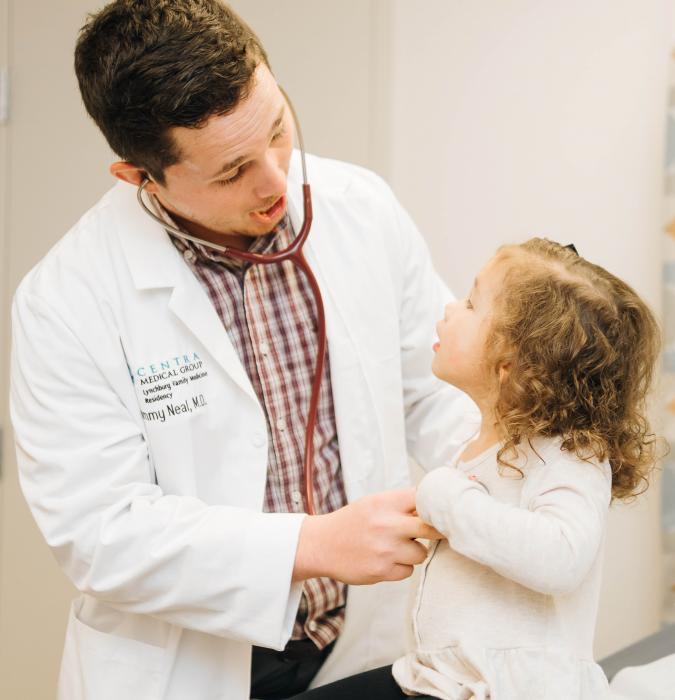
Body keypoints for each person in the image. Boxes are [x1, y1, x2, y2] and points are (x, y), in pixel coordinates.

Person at [9, 1, 473, 699]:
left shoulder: (362, 209)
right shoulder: (67, 300)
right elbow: (102, 533)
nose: (276, 183)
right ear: (139, 177)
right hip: (188, 669)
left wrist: (511, 481)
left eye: (279, 129)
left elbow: (438, 389)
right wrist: (313, 545)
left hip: (361, 647)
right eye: (231, 172)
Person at [289, 238, 661, 699]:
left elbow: (563, 558)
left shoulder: (572, 453)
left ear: (511, 361)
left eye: (469, 303)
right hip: (435, 680)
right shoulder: (481, 444)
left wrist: (448, 499)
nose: (448, 308)